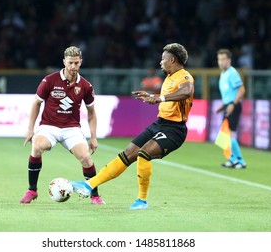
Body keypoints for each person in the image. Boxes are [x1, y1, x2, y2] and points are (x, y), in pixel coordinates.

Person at [71, 43, 194, 210]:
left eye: (163, 59)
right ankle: (89, 185)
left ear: (172, 59)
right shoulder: (170, 77)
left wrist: (159, 98)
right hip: (160, 123)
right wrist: (151, 96)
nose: (160, 62)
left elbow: (186, 92)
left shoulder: (185, 77)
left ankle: (142, 201)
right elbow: (165, 98)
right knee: (128, 153)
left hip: (174, 130)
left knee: (143, 154)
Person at [20, 46, 105, 204]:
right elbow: (36, 103)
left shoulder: (86, 86)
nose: (73, 67)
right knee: (37, 147)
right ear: (64, 62)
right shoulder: (50, 80)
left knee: (86, 158)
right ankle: (32, 190)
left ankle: (95, 195)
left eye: (76, 63)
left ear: (81, 63)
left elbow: (92, 113)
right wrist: (30, 129)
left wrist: (93, 137)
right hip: (49, 127)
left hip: (72, 128)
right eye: (70, 63)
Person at [216, 48, 247, 169]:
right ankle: (232, 158)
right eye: (219, 59)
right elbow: (228, 93)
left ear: (229, 60)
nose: (221, 62)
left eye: (223, 59)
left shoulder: (232, 72)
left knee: (231, 134)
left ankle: (240, 160)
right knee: (225, 135)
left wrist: (233, 104)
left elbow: (242, 90)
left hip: (234, 106)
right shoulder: (223, 73)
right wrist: (223, 105)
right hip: (228, 106)